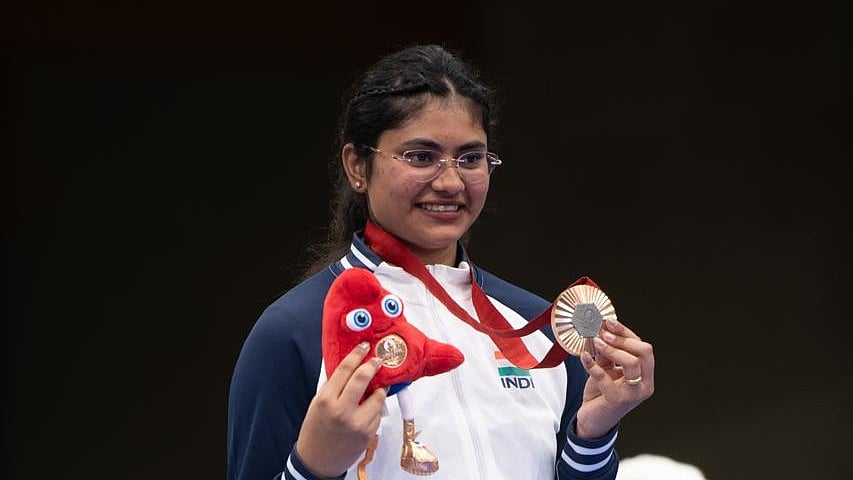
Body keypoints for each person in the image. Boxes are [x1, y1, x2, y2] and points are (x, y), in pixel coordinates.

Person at [227, 44, 655, 480]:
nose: (450, 182)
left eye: (470, 158)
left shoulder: (534, 326)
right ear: (357, 165)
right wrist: (313, 468)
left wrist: (593, 432)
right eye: (420, 156)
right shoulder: (293, 332)